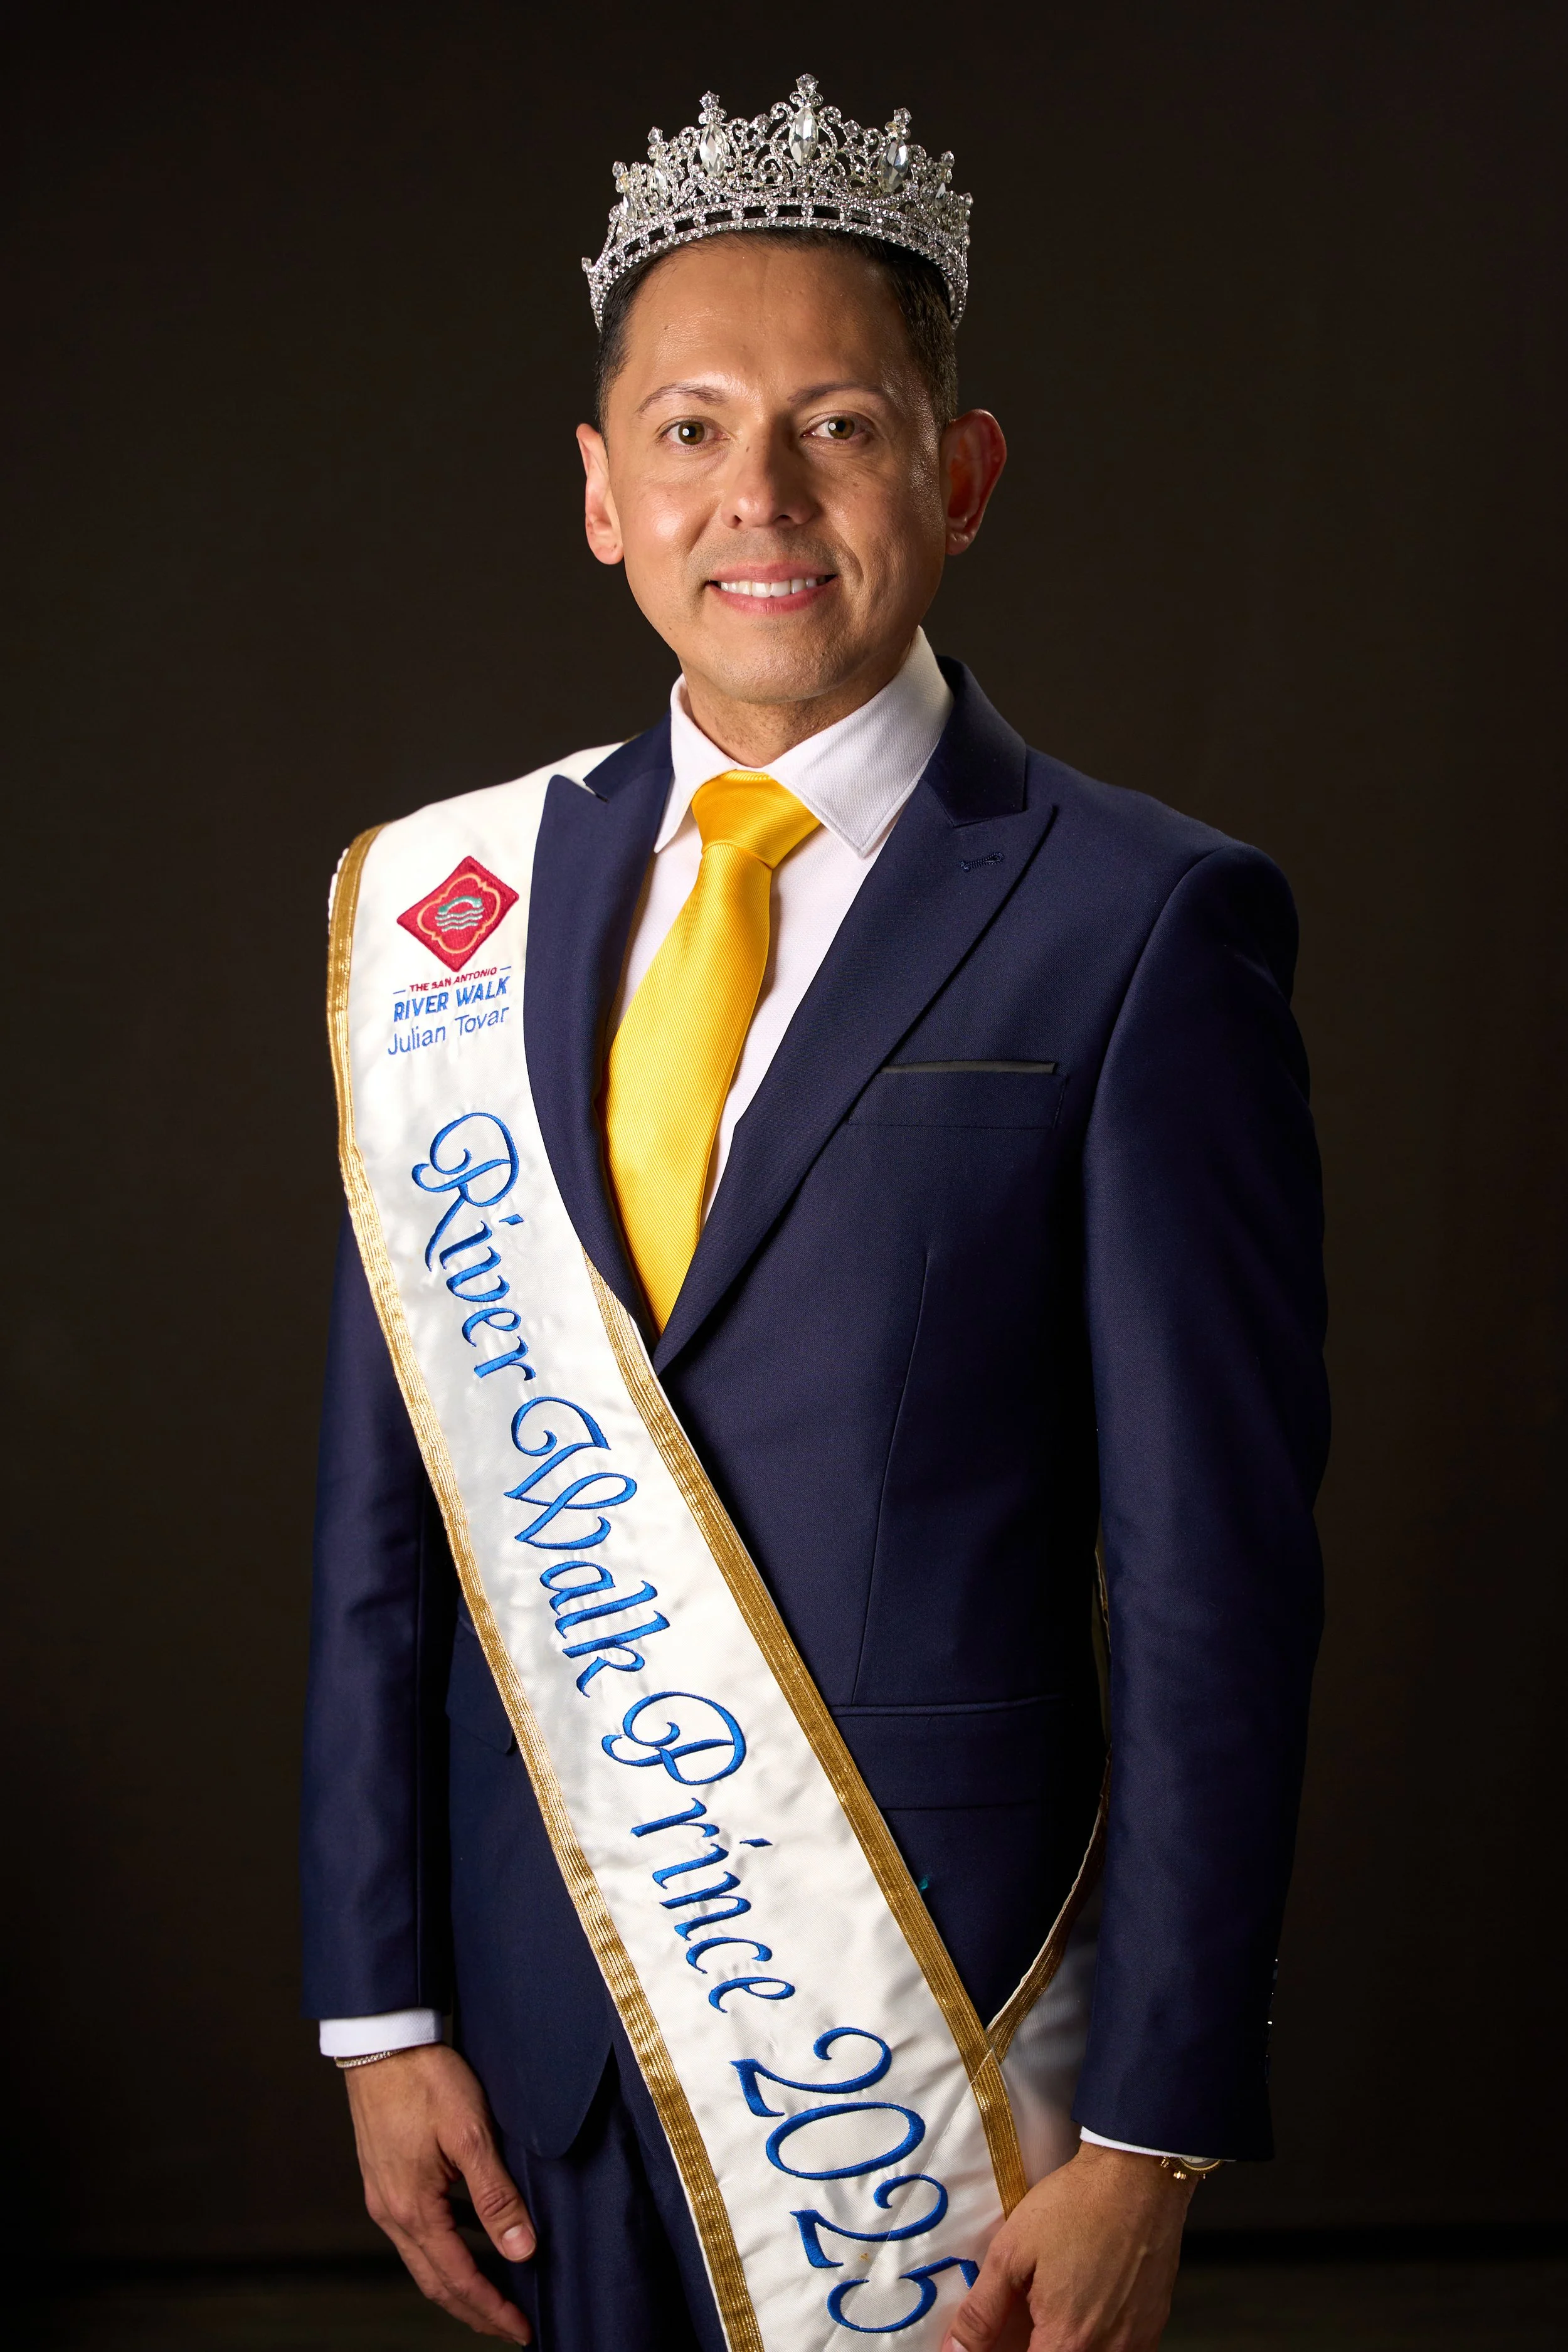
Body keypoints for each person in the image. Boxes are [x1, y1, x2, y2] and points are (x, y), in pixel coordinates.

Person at [302, 75, 1327, 2352]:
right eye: (685, 429)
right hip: (533, 2019)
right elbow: (393, 1516)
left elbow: (1212, 1583)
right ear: (597, 496)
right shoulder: (449, 912)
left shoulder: (1144, 920)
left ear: (957, 478)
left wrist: (1149, 2128)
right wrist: (378, 2011)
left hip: (934, 2061)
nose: (753, 495)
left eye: (837, 424)